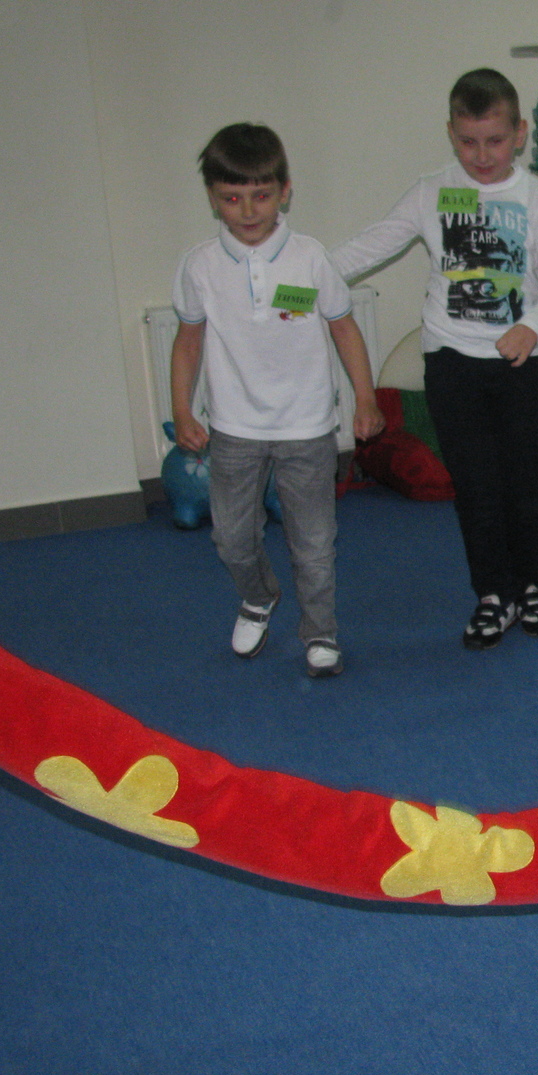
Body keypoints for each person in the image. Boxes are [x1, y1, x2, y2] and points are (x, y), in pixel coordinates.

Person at [331, 69, 538, 650]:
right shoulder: (431, 192)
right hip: (451, 362)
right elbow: (372, 244)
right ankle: (492, 595)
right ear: (450, 133)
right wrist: (299, 276)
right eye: (468, 142)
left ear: (519, 133)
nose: (482, 156)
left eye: (495, 141)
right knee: (475, 485)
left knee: (523, 482)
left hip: (520, 363)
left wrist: (531, 326)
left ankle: (529, 586)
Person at [170, 123, 384, 678]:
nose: (247, 211)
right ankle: (258, 596)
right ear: (212, 198)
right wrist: (181, 409)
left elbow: (343, 328)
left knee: (313, 543)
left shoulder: (310, 258)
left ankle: (321, 631)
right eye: (231, 198)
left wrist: (364, 397)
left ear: (284, 191)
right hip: (234, 428)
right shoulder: (199, 265)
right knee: (231, 537)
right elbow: (188, 341)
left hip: (307, 427)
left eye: (261, 196)